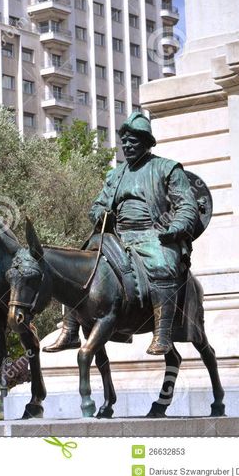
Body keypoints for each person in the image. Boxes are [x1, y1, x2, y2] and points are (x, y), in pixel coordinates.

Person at [44, 111, 199, 355]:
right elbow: (97, 205)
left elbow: (187, 205)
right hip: (117, 236)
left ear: (146, 142)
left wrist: (175, 228)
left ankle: (163, 333)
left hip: (153, 235)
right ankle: (71, 329)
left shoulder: (167, 168)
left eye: (133, 141)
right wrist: (100, 215)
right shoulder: (115, 174)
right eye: (123, 141)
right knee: (79, 267)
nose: (126, 145)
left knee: (162, 265)